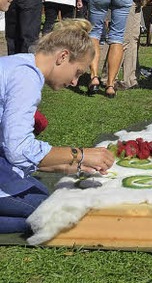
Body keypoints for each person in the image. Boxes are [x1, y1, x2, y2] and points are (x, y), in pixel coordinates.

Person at [0, 17, 115, 234]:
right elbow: (18, 150)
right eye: (78, 72)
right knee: (51, 213)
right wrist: (79, 155)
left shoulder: (22, 63)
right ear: (63, 56)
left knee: (42, 195)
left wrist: (69, 164)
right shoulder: (27, 77)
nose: (74, 82)